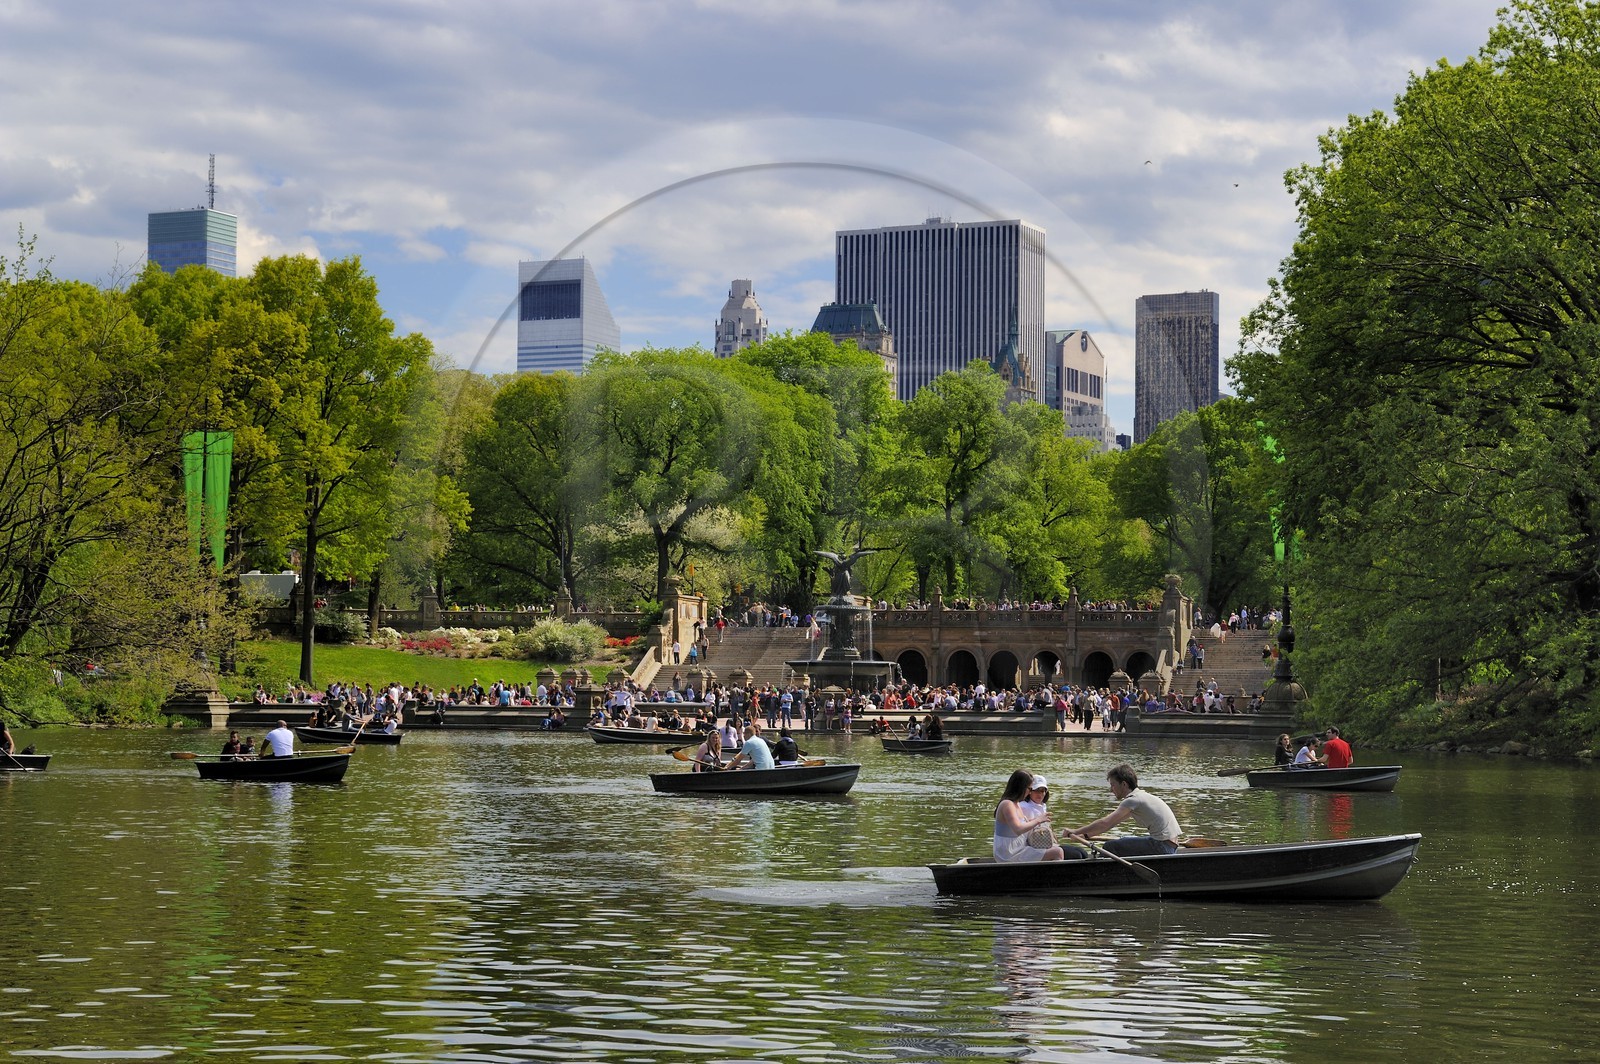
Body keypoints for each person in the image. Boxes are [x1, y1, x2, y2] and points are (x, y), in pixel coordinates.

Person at [1067, 763, 1182, 857]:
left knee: (1110, 846)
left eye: (1113, 785)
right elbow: (1109, 825)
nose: (1111, 790)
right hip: (1170, 846)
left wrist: (1075, 832)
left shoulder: (1132, 801)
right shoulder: (1141, 797)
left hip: (1161, 847)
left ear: (1124, 784)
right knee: (1124, 839)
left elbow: (1104, 823)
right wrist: (1085, 835)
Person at [993, 769, 1066, 862]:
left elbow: (1023, 827)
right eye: (1030, 789)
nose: (1030, 792)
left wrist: (1038, 822)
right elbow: (1018, 829)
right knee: (1057, 852)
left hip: (1018, 848)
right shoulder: (1007, 804)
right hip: (1008, 854)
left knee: (1056, 848)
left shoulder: (1016, 803)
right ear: (1021, 787)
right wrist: (1038, 820)